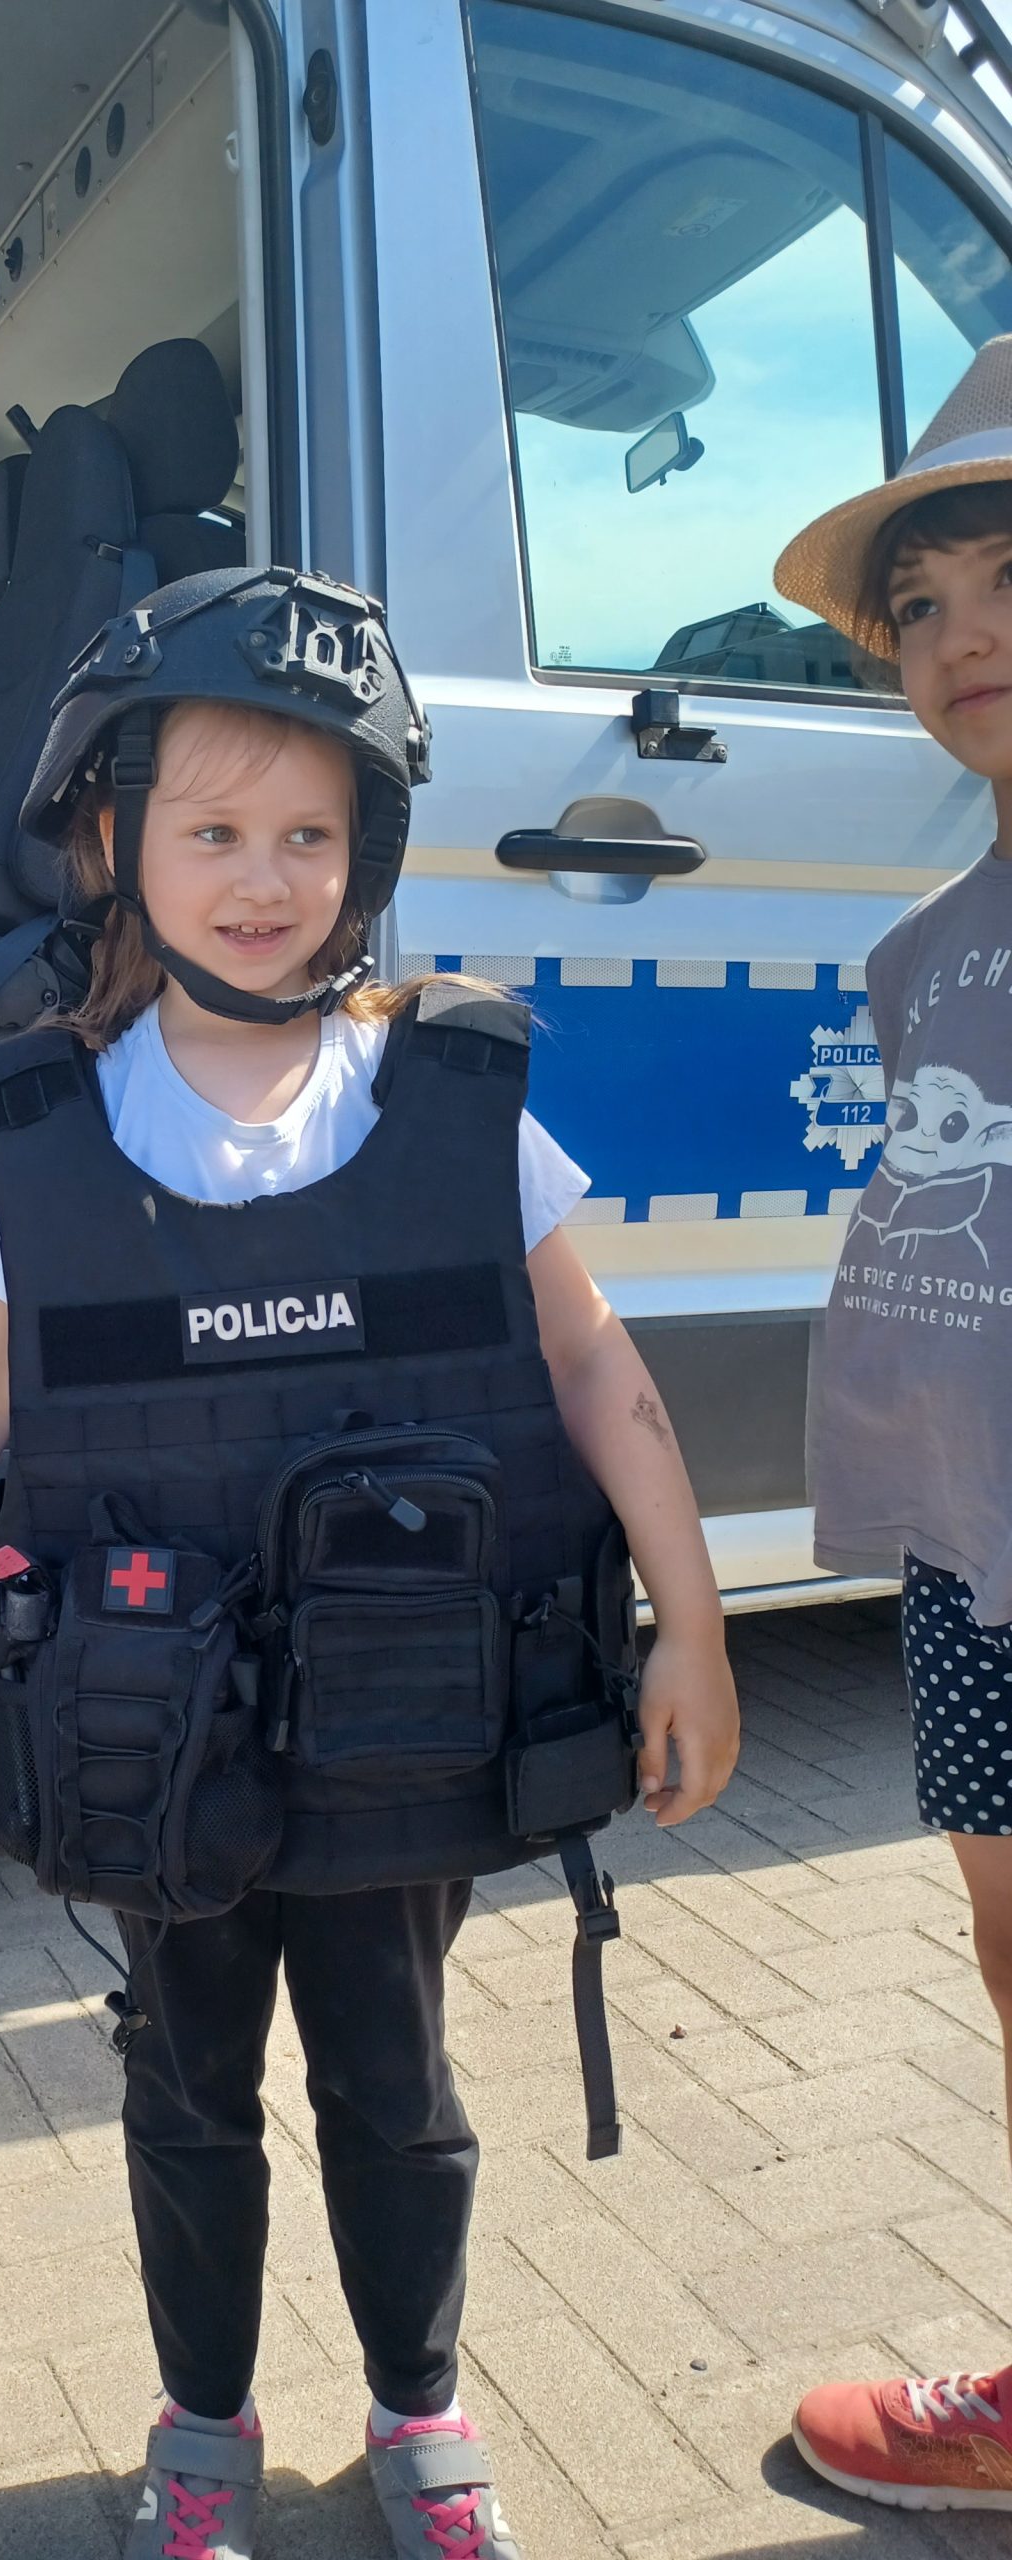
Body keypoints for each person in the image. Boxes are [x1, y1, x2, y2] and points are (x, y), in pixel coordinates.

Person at [0, 566, 739, 2559]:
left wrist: (694, 1623)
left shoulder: (458, 1106)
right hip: (150, 1749)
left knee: (397, 2086)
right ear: (117, 846)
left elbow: (594, 1364)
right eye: (214, 831)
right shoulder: (47, 1134)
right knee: (186, 2093)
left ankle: (421, 2408)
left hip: (403, 1735)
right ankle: (204, 2421)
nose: (264, 879)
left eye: (310, 836)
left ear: (370, 854)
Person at [775, 339, 1012, 2510]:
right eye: (919, 605)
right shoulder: (925, 950)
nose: (960, 638)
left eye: (1010, 579)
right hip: (967, 1539)